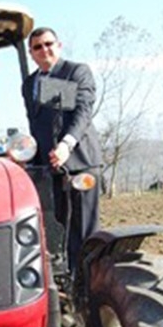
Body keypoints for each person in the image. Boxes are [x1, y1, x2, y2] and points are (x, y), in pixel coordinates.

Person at [20, 27, 102, 274]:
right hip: (50, 166)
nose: (44, 50)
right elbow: (37, 125)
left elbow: (82, 111)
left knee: (84, 229)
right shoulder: (29, 84)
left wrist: (67, 144)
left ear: (59, 45)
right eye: (37, 47)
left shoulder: (76, 72)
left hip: (79, 162)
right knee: (60, 228)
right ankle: (68, 278)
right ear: (31, 53)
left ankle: (88, 284)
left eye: (48, 44)